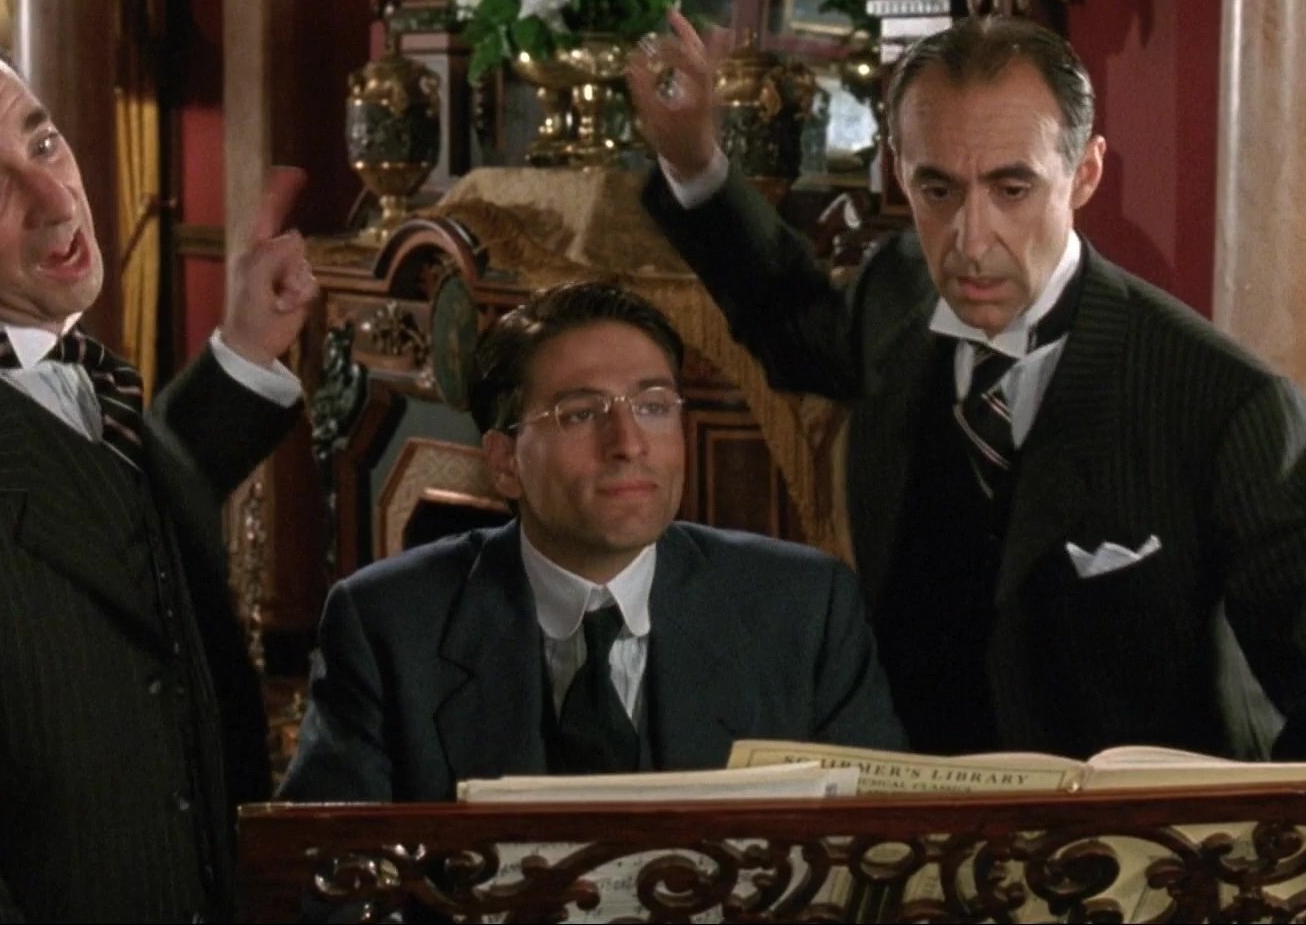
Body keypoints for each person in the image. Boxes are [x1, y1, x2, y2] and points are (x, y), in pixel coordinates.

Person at [627, 11, 1306, 762]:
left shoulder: (1229, 406)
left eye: (1012, 190)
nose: (971, 242)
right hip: (926, 829)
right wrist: (695, 163)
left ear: (1085, 174)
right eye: (938, 190)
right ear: (901, 172)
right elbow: (793, 323)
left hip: (1149, 846)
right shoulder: (897, 292)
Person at [0, 20, 318, 922]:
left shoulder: (71, 364)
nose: (56, 201)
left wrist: (242, 351)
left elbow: (116, 512)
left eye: (42, 144)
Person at [279, 281, 905, 803]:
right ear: (504, 463)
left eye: (653, 406)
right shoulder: (386, 627)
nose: (629, 444)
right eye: (580, 414)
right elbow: (328, 878)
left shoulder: (804, 609)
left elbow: (877, 855)